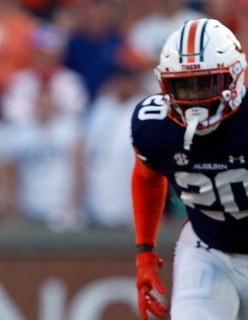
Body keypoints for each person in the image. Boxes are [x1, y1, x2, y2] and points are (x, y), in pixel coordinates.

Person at [131, 18, 248, 320]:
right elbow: (146, 178)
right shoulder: (154, 126)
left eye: (206, 83)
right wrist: (145, 252)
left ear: (234, 77)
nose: (195, 99)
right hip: (208, 249)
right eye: (184, 86)